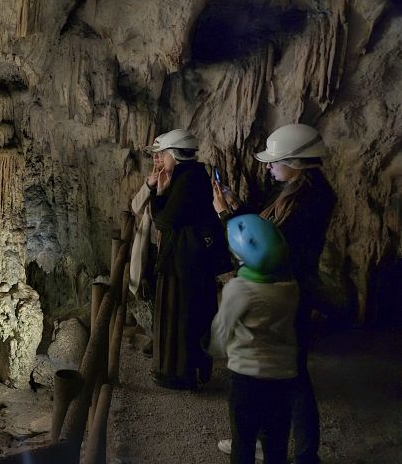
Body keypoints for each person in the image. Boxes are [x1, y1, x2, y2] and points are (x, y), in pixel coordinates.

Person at [212, 124, 336, 464]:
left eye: (274, 161)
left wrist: (226, 216)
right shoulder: (302, 191)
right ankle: (278, 444)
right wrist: (237, 207)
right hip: (292, 288)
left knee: (288, 377)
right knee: (288, 373)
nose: (268, 167)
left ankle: (297, 451)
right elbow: (266, 232)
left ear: (295, 162)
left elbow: (265, 250)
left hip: (284, 290)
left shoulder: (305, 202)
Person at [208, 214, 300, 464]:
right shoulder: (291, 286)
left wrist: (213, 349)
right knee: (276, 443)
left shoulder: (239, 289)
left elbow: (221, 331)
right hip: (283, 375)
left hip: (246, 376)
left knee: (243, 441)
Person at [147, 129, 226, 389]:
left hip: (183, 262)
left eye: (163, 154)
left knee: (181, 316)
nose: (160, 159)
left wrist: (157, 194)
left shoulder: (186, 179)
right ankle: (190, 371)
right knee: (192, 314)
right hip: (192, 260)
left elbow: (163, 221)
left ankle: (179, 374)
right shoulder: (194, 175)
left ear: (174, 154)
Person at [126, 150, 161, 340]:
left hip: (166, 247)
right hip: (152, 246)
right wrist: (149, 184)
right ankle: (156, 336)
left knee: (165, 293)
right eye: (155, 156)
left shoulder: (178, 183)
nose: (156, 159)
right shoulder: (152, 182)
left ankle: (162, 337)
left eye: (160, 155)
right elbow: (136, 207)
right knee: (151, 290)